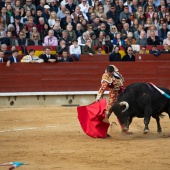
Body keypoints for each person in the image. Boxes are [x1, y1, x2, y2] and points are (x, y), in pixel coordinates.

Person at [95, 65, 130, 134]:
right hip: (113, 96)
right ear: (107, 72)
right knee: (108, 113)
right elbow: (103, 88)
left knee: (121, 112)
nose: (110, 74)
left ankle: (124, 129)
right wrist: (98, 97)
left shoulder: (116, 73)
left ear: (113, 71)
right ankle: (101, 130)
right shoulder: (106, 77)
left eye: (111, 73)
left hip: (121, 95)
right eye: (109, 73)